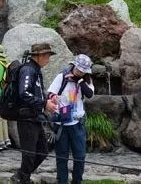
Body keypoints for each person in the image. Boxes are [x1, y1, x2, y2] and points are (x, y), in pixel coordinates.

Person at [12, 43, 59, 184]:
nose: (48, 59)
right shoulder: (28, 70)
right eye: (47, 56)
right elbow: (24, 93)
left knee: (43, 151)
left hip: (35, 117)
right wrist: (44, 104)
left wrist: (48, 99)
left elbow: (36, 93)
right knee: (29, 153)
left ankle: (21, 176)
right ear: (39, 56)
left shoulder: (36, 71)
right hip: (26, 118)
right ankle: (23, 179)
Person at [47, 54, 94, 184]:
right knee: (62, 157)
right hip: (61, 123)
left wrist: (79, 80)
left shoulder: (85, 80)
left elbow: (89, 94)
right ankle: (62, 181)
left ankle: (77, 181)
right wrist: (53, 97)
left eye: (83, 71)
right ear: (73, 66)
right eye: (78, 70)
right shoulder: (61, 76)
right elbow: (50, 92)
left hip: (77, 123)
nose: (80, 73)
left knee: (80, 156)